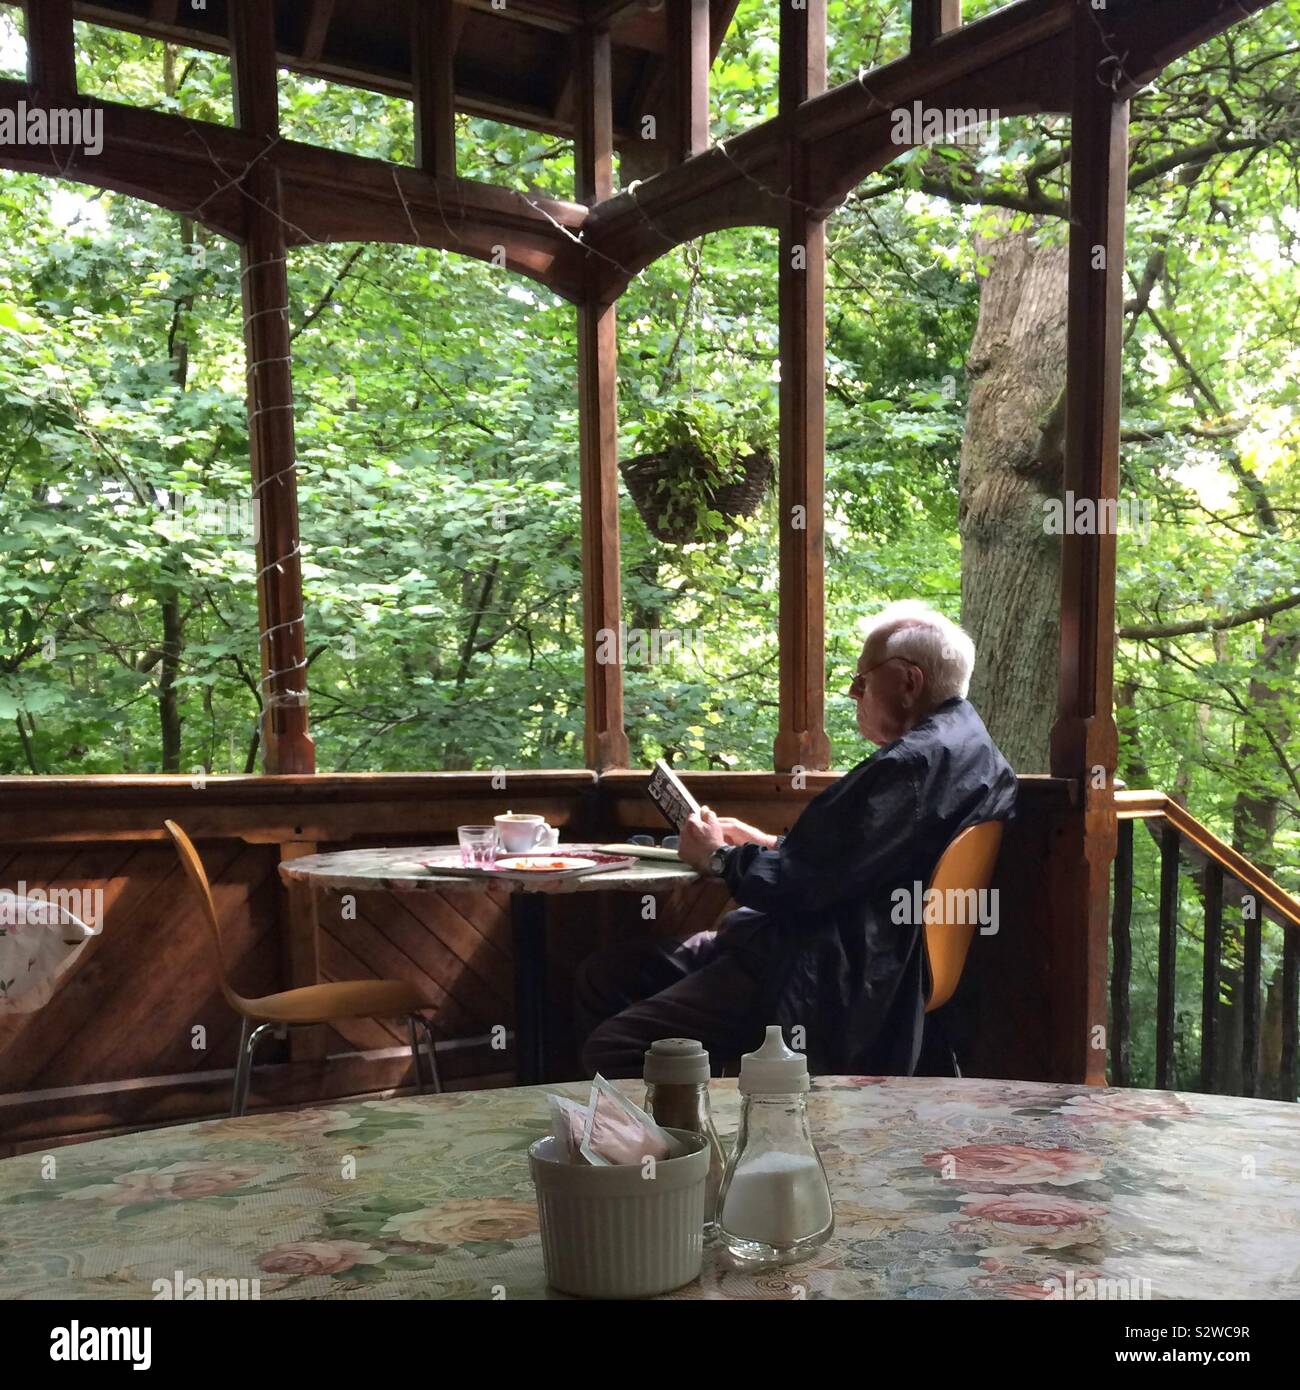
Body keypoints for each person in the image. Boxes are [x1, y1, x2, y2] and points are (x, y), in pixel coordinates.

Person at [573, 601, 1019, 1079]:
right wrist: (762, 843)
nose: (852, 692)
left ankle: (720, 1127)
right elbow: (851, 863)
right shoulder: (973, 755)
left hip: (821, 969)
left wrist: (719, 858)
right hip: (866, 959)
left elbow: (798, 887)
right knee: (607, 975)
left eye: (862, 679)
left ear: (909, 682)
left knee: (615, 1048)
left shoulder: (909, 766)